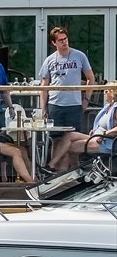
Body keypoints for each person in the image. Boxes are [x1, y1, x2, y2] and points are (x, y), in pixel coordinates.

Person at [38, 26, 94, 164]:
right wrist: (43, 108)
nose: (64, 42)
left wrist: (86, 98)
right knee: (56, 139)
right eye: (60, 40)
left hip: (74, 105)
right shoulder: (49, 60)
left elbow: (90, 78)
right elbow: (44, 86)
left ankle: (74, 172)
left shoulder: (79, 56)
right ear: (54, 43)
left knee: (74, 139)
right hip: (55, 105)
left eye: (65, 39)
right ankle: (54, 172)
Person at [55, 85, 117, 168]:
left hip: (107, 142)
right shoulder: (108, 107)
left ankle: (69, 169)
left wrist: (105, 134)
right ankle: (56, 165)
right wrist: (95, 129)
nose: (104, 93)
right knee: (69, 135)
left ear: (113, 93)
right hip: (97, 136)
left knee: (71, 147)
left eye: (106, 91)